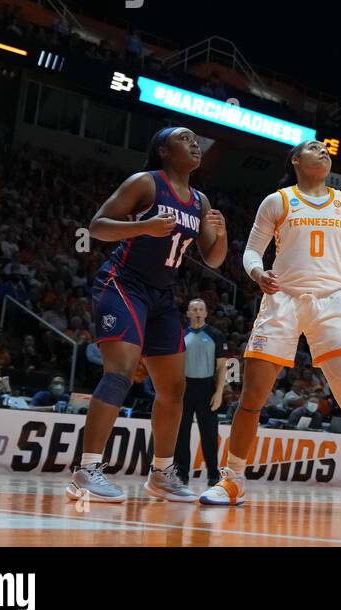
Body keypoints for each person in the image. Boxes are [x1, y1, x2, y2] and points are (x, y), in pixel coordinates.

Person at [200, 140, 341, 514]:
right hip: (282, 300)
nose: (323, 152)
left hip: (329, 302)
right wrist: (258, 273)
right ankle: (232, 481)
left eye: (326, 150)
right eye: (314, 148)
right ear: (295, 160)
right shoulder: (278, 201)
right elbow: (250, 251)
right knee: (251, 399)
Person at [67, 127, 227, 503]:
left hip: (160, 296)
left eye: (196, 140)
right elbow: (97, 227)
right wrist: (144, 226)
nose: (194, 144)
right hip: (122, 284)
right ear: (163, 151)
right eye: (185, 139)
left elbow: (214, 259)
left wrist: (220, 234)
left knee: (174, 389)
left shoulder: (200, 201)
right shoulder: (146, 183)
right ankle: (87, 470)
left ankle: (161, 474)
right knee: (120, 373)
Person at [175, 298, 227, 487]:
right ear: (188, 313)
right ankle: (181, 474)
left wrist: (219, 392)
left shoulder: (216, 335)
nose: (197, 312)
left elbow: (222, 367)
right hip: (185, 388)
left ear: (206, 313)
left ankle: (213, 474)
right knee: (182, 433)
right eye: (194, 309)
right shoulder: (180, 335)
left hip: (207, 388)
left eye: (201, 309)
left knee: (209, 434)